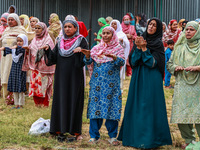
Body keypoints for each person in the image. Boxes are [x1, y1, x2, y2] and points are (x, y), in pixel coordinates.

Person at [118, 18, 172, 149]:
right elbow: (133, 62)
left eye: (154, 25)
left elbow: (153, 63)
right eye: (150, 24)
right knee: (136, 104)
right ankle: (134, 137)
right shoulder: (141, 39)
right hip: (138, 77)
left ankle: (150, 139)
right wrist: (137, 48)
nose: (151, 27)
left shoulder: (158, 44)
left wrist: (144, 49)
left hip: (151, 77)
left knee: (149, 106)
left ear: (158, 28)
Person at [41, 19, 88, 141]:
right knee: (61, 100)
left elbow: (86, 58)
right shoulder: (60, 41)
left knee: (74, 100)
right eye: (65, 26)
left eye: (70, 27)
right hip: (61, 77)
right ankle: (59, 129)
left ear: (75, 28)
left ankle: (74, 131)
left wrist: (81, 51)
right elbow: (53, 58)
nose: (67, 29)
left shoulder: (81, 40)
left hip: (75, 77)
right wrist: (47, 50)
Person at [81, 26, 124, 145]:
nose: (105, 35)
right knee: (96, 109)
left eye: (108, 33)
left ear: (113, 35)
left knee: (112, 108)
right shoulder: (96, 48)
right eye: (103, 33)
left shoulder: (118, 48)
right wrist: (88, 56)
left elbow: (122, 62)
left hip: (111, 85)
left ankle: (112, 136)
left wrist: (115, 58)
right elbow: (88, 63)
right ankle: (94, 136)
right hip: (97, 85)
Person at [167, 21, 200, 149]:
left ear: (197, 32)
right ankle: (189, 140)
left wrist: (197, 68)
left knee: (198, 115)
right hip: (182, 85)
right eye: (186, 29)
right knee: (181, 114)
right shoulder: (179, 47)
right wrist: (176, 67)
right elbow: (169, 65)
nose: (188, 32)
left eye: (191, 30)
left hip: (197, 85)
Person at [22, 22, 55, 107]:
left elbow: (51, 51)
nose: (36, 30)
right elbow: (32, 50)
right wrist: (28, 50)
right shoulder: (34, 39)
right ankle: (37, 103)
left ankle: (44, 104)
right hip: (35, 67)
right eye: (35, 28)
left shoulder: (48, 39)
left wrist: (46, 48)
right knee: (35, 86)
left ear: (43, 29)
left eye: (38, 28)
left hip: (45, 68)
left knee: (44, 85)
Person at [0, 13, 27, 100]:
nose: (10, 21)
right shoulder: (6, 30)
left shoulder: (21, 30)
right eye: (9, 20)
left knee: (14, 75)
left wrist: (17, 38)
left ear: (17, 20)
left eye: (12, 20)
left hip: (16, 58)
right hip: (5, 57)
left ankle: (15, 97)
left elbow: (24, 43)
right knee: (5, 73)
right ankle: (6, 96)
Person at [0, 34, 28, 109]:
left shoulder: (25, 48)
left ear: (24, 41)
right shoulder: (15, 49)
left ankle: (21, 104)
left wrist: (17, 47)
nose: (19, 42)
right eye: (17, 41)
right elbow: (9, 50)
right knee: (14, 86)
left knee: (20, 87)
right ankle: (16, 104)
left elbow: (21, 49)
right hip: (14, 70)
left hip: (21, 71)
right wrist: (4, 48)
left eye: (21, 41)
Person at [110, 19, 130, 93]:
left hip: (119, 56)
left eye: (115, 24)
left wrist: (122, 41)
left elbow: (127, 44)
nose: (113, 25)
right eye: (112, 24)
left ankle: (119, 89)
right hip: (109, 56)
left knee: (119, 72)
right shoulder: (108, 33)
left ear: (118, 25)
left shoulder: (122, 34)